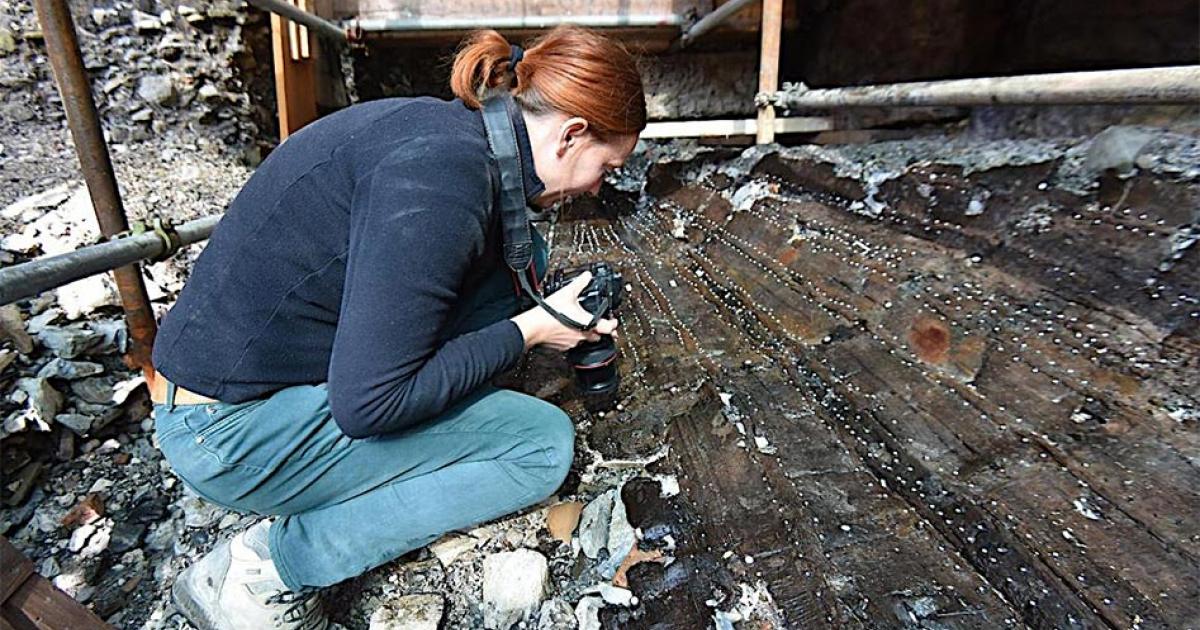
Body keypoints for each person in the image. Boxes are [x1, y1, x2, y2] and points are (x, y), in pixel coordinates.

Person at [147, 25, 646, 630]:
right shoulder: (440, 184)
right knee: (538, 444)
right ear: (570, 134)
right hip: (227, 434)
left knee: (527, 263)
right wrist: (534, 331)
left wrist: (534, 312)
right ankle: (261, 573)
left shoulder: (450, 134)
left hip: (236, 383)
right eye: (606, 165)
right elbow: (370, 405)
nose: (599, 186)